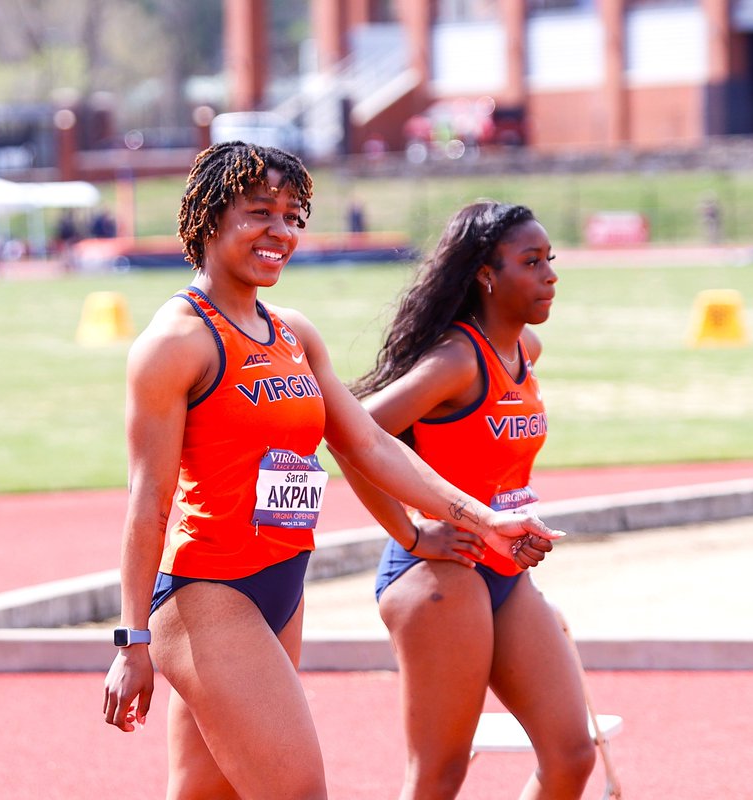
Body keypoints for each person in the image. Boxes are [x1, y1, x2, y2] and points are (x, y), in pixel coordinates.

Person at [101, 144, 563, 800]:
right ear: (207, 219)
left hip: (282, 586)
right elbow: (147, 500)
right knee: (297, 792)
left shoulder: (293, 332)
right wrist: (131, 642)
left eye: (294, 217)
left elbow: (370, 446)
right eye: (260, 213)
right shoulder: (175, 345)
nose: (281, 232)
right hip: (208, 592)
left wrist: (482, 520)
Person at [336, 201, 596, 799]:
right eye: (531, 262)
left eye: (549, 260)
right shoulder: (457, 360)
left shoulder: (524, 350)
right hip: (441, 575)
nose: (550, 275)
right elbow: (354, 436)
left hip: (503, 571)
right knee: (439, 777)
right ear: (486, 273)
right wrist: (409, 533)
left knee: (571, 755)